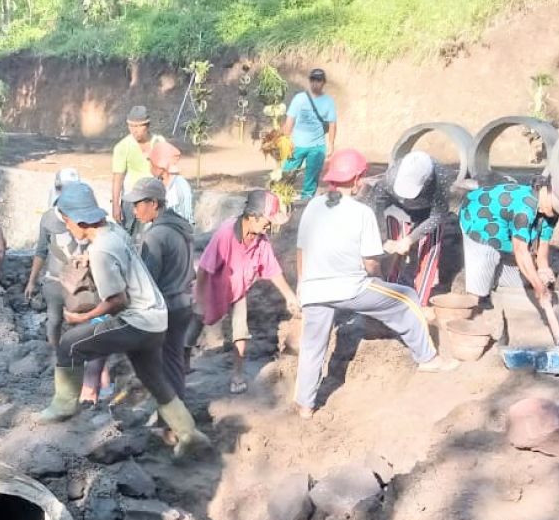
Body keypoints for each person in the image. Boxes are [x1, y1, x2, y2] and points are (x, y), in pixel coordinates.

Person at [37, 181, 210, 459]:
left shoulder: (101, 250)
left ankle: (63, 406)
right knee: (153, 378)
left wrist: (83, 315)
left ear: (80, 221)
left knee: (70, 344)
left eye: (68, 221)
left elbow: (117, 301)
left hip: (137, 321)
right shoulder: (113, 231)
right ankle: (189, 434)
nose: (67, 227)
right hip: (156, 318)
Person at [295, 150, 455, 419]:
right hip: (350, 289)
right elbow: (370, 262)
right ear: (357, 180)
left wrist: (302, 284)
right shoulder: (361, 212)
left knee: (312, 345)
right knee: (406, 298)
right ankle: (429, 359)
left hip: (313, 289)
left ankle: (305, 405)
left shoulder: (313, 206)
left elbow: (301, 249)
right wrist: (379, 280)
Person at [187, 188, 300, 394]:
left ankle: (237, 374)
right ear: (253, 216)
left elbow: (272, 269)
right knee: (196, 323)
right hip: (214, 286)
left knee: (241, 330)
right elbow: (204, 268)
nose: (270, 224)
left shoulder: (260, 239)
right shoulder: (226, 234)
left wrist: (289, 296)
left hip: (239, 288)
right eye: (268, 219)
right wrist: (201, 298)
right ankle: (181, 361)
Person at [23, 174, 113, 406]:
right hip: (55, 280)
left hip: (85, 281)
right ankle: (61, 362)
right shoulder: (48, 220)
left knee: (93, 327)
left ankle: (98, 382)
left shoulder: (101, 232)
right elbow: (41, 250)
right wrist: (32, 280)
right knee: (55, 321)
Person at [459, 173, 559, 307]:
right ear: (546, 191)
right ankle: (478, 296)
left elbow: (543, 242)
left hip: (505, 223)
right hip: (478, 216)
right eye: (557, 205)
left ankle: (493, 275)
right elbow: (520, 251)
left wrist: (543, 269)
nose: (557, 211)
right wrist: (539, 289)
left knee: (524, 279)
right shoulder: (524, 209)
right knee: (486, 261)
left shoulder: (551, 211)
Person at [124, 177, 195, 400]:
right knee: (174, 362)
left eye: (138, 204)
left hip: (166, 307)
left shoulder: (155, 235)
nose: (134, 211)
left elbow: (145, 281)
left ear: (154, 203)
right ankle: (175, 415)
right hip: (184, 303)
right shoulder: (182, 227)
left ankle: (171, 422)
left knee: (165, 366)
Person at [357, 150, 456, 306]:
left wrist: (410, 239)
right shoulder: (391, 178)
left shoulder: (441, 178)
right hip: (399, 211)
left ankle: (419, 302)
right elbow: (375, 207)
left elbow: (438, 215)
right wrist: (384, 239)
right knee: (395, 255)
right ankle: (390, 297)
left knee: (427, 253)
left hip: (429, 213)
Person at [281, 69, 338, 201]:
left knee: (311, 177)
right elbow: (290, 120)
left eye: (318, 80)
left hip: (317, 146)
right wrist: (286, 140)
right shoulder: (299, 98)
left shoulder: (328, 101)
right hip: (297, 144)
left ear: (324, 82)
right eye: (313, 80)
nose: (315, 83)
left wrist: (331, 144)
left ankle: (306, 201)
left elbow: (332, 124)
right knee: (287, 173)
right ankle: (281, 196)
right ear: (309, 81)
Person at [111, 105, 164, 235]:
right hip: (131, 198)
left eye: (139, 126)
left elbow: (164, 171)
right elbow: (117, 178)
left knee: (153, 234)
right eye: (131, 126)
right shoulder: (123, 147)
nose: (135, 131)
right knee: (128, 235)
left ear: (147, 125)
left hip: (153, 199)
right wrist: (115, 205)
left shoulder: (159, 142)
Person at [147, 141, 194, 224]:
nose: (150, 167)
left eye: (152, 164)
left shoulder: (180, 185)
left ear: (161, 166)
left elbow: (187, 218)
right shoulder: (155, 184)